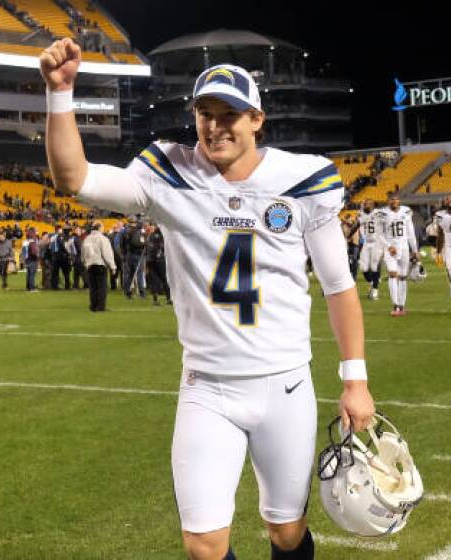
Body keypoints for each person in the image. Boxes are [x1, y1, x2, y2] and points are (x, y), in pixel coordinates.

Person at [41, 41, 375, 560]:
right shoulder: (167, 174)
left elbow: (338, 286)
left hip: (284, 383)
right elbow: (74, 178)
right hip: (207, 386)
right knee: (203, 544)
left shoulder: (302, 180)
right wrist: (60, 94)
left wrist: (355, 379)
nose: (216, 126)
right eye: (205, 114)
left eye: (229, 115)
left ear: (256, 118)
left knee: (286, 532)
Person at [378, 193, 419, 316]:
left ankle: (401, 306)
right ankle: (395, 305)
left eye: (395, 199)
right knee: (392, 273)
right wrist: (389, 246)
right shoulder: (382, 213)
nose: (394, 201)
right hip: (390, 248)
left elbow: (410, 232)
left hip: (404, 247)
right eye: (391, 199)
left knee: (402, 277)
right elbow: (379, 233)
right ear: (388, 201)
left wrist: (415, 249)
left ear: (399, 200)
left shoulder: (406, 212)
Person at [349, 200, 384, 300]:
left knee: (375, 266)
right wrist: (349, 236)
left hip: (377, 243)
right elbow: (356, 226)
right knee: (363, 268)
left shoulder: (378, 213)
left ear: (372, 205)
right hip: (365, 243)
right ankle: (372, 282)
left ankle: (375, 290)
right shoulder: (361, 215)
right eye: (365, 204)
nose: (366, 205)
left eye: (368, 204)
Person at [81, 221, 116, 311]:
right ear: (100, 227)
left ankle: (93, 306)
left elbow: (83, 253)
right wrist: (112, 266)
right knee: (102, 287)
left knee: (93, 287)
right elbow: (107, 254)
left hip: (90, 265)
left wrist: (85, 262)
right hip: (100, 264)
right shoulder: (102, 238)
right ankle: (101, 307)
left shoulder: (87, 238)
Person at [145, 221, 171, 306]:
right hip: (157, 260)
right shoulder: (160, 235)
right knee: (162, 279)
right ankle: (166, 299)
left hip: (152, 260)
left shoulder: (152, 235)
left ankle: (158, 299)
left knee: (157, 280)